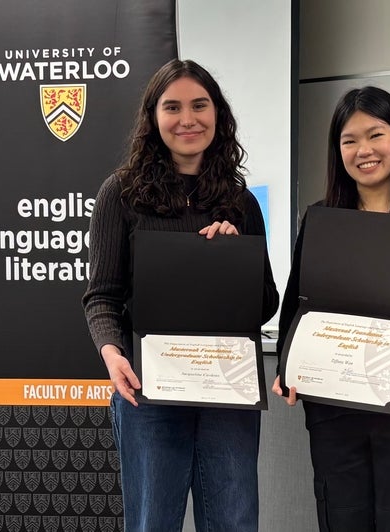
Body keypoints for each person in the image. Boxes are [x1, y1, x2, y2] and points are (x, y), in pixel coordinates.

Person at [82, 59, 279, 532]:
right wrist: (112, 353)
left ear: (218, 115)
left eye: (199, 105)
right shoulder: (120, 194)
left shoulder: (241, 202)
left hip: (226, 391)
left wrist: (236, 262)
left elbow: (267, 303)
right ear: (153, 117)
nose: (187, 119)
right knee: (152, 522)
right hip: (150, 391)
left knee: (233, 520)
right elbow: (101, 297)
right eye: (173, 107)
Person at [273, 86, 390, 531]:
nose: (364, 150)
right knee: (342, 518)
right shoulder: (320, 217)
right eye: (349, 140)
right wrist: (287, 366)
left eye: (375, 135)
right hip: (333, 410)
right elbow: (296, 305)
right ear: (337, 150)